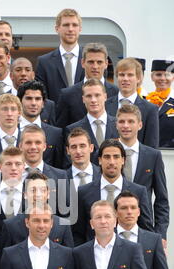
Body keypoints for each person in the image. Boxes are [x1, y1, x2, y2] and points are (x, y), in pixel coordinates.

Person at [72, 139, 154, 245]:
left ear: (123, 160)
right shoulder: (83, 192)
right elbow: (77, 232)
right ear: (100, 160)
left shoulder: (139, 192)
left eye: (116, 157)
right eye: (107, 157)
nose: (111, 162)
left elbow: (146, 230)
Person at [116, 104, 169, 243]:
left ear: (140, 125)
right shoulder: (106, 154)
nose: (126, 126)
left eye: (131, 121)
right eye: (122, 121)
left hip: (144, 228)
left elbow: (161, 199)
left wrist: (161, 234)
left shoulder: (153, 156)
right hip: (112, 228)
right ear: (116, 125)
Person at [1, 171, 74, 248]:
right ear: (25, 194)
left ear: (48, 194)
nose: (38, 194)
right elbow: (5, 258)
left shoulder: (63, 225)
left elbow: (68, 257)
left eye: (42, 190)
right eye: (33, 190)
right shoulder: (10, 226)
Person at [0, 58, 57, 134]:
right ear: (11, 75)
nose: (23, 74)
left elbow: (51, 133)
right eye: (18, 70)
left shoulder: (49, 105)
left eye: (27, 70)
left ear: (33, 75)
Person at [56, 42, 118, 128]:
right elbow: (61, 130)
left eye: (99, 62)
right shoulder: (67, 95)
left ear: (106, 64)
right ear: (82, 63)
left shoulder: (117, 93)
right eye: (91, 62)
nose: (95, 66)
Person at [105, 58, 159, 148]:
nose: (125, 79)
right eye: (122, 75)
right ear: (117, 77)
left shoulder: (150, 109)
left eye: (130, 75)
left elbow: (151, 146)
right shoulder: (105, 105)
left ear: (138, 78)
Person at [19, 124, 70, 219]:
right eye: (28, 143)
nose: (33, 147)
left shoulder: (60, 176)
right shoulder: (11, 175)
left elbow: (65, 216)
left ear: (44, 146)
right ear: (20, 146)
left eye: (38, 142)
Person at [64, 78, 118, 165]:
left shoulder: (119, 125)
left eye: (97, 95)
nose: (93, 100)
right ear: (83, 99)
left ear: (105, 97)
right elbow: (68, 164)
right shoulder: (72, 129)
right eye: (89, 96)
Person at [36, 8, 84, 103]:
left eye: (74, 25)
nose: (70, 29)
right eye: (66, 25)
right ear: (57, 29)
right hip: (55, 116)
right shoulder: (44, 62)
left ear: (80, 29)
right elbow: (42, 97)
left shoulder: (90, 59)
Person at [18, 80, 64, 168]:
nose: (33, 103)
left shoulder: (55, 134)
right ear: (20, 101)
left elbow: (58, 166)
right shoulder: (11, 131)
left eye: (38, 99)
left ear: (43, 103)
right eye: (29, 98)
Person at [0, 146, 25, 236]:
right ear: (0, 167)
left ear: (24, 167)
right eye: (8, 164)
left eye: (18, 164)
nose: (13, 168)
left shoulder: (32, 195)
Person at [147, 59, 174, 147]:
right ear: (152, 77)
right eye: (158, 74)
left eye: (167, 75)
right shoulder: (145, 101)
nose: (162, 78)